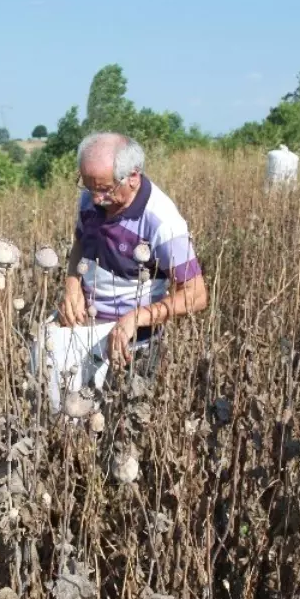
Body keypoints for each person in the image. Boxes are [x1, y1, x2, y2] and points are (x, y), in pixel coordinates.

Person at [36, 132, 207, 410]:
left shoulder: (163, 222)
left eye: (104, 188)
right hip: (80, 331)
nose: (96, 197)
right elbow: (80, 244)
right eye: (87, 185)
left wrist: (136, 318)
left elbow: (196, 295)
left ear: (133, 177)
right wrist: (72, 285)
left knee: (117, 422)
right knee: (65, 418)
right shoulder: (91, 198)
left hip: (131, 345)